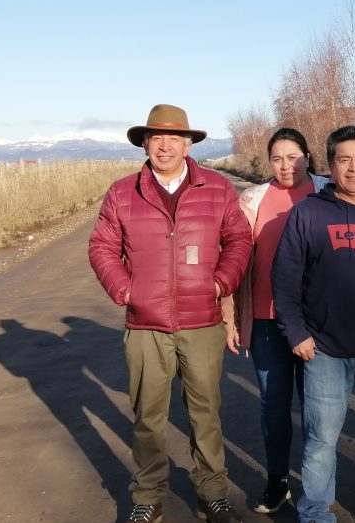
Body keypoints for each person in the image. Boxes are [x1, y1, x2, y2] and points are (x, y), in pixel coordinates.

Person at [88, 104, 251, 523]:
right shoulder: (123, 192)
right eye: (156, 138)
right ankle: (147, 493)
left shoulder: (216, 188)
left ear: (188, 143)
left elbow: (239, 240)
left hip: (203, 323)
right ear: (145, 143)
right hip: (146, 326)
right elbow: (101, 247)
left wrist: (221, 283)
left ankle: (211, 492)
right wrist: (125, 289)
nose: (164, 145)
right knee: (148, 416)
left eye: (173, 138)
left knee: (206, 413)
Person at [271, 126, 355, 523]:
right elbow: (284, 279)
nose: (353, 168)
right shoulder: (308, 213)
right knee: (321, 440)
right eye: (344, 159)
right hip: (323, 349)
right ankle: (315, 512)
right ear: (329, 165)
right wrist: (296, 334)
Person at [224, 127, 328, 513]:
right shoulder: (253, 199)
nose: (286, 165)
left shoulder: (327, 191)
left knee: (318, 407)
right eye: (277, 158)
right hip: (267, 320)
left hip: (316, 321)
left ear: (308, 156)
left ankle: (317, 488)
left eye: (293, 156)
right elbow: (236, 260)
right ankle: (277, 481)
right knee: (273, 404)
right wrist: (230, 316)